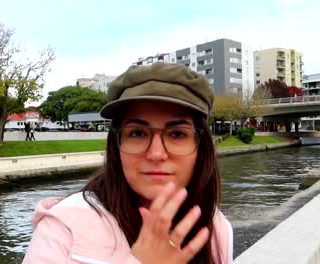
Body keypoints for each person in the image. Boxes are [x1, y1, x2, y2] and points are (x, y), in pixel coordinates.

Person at [23, 63, 233, 263]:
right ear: (116, 143)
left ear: (200, 147)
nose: (156, 153)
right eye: (137, 133)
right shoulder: (62, 228)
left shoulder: (216, 227)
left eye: (177, 134)